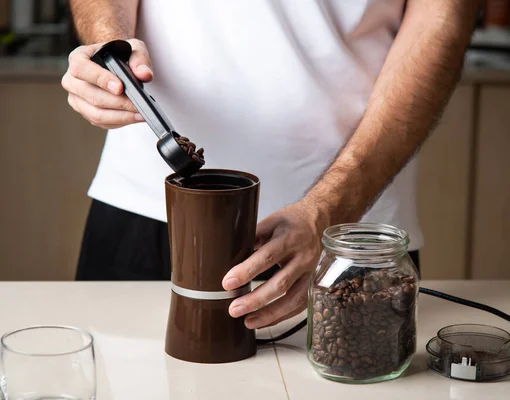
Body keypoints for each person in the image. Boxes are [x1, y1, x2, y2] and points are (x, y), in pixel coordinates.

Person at [62, 0, 479, 330]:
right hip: (143, 206)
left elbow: (441, 18)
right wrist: (109, 44)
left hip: (346, 233)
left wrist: (331, 209)